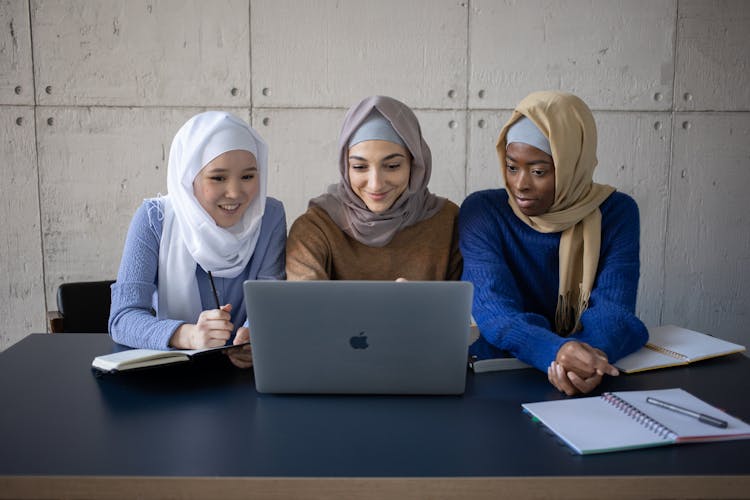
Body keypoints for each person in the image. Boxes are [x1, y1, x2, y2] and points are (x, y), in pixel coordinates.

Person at [459, 90, 648, 395]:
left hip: (588, 371)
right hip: (501, 376)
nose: (520, 184)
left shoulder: (616, 212)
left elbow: (615, 308)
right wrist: (557, 352)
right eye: (511, 166)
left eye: (538, 171)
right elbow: (493, 309)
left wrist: (589, 359)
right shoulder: (483, 211)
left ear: (573, 164)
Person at [109, 111, 286, 368]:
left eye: (248, 176)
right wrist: (188, 334)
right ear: (188, 176)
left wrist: (254, 336)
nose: (235, 193)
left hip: (245, 379)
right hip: (172, 378)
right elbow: (122, 318)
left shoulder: (269, 216)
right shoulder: (154, 219)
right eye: (218, 177)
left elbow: (272, 299)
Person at [286, 95, 462, 281]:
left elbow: (466, 305)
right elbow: (304, 307)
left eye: (392, 166)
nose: (376, 184)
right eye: (360, 167)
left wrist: (420, 304)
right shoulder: (317, 226)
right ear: (345, 167)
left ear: (415, 164)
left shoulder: (448, 221)